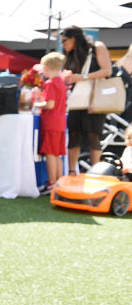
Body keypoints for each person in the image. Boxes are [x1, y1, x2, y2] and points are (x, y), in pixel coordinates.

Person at [61, 25, 112, 172]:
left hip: (94, 98)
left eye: (65, 41)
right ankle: (71, 173)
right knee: (74, 135)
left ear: (74, 38)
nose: (63, 44)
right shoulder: (70, 55)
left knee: (93, 136)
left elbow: (107, 70)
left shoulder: (97, 47)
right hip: (76, 100)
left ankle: (96, 173)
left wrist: (82, 77)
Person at [34, 52, 68, 189]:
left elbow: (50, 104)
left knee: (50, 154)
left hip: (51, 122)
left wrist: (36, 104)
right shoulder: (61, 82)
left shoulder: (51, 83)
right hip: (60, 122)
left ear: (47, 67)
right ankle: (59, 182)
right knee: (57, 154)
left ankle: (52, 183)